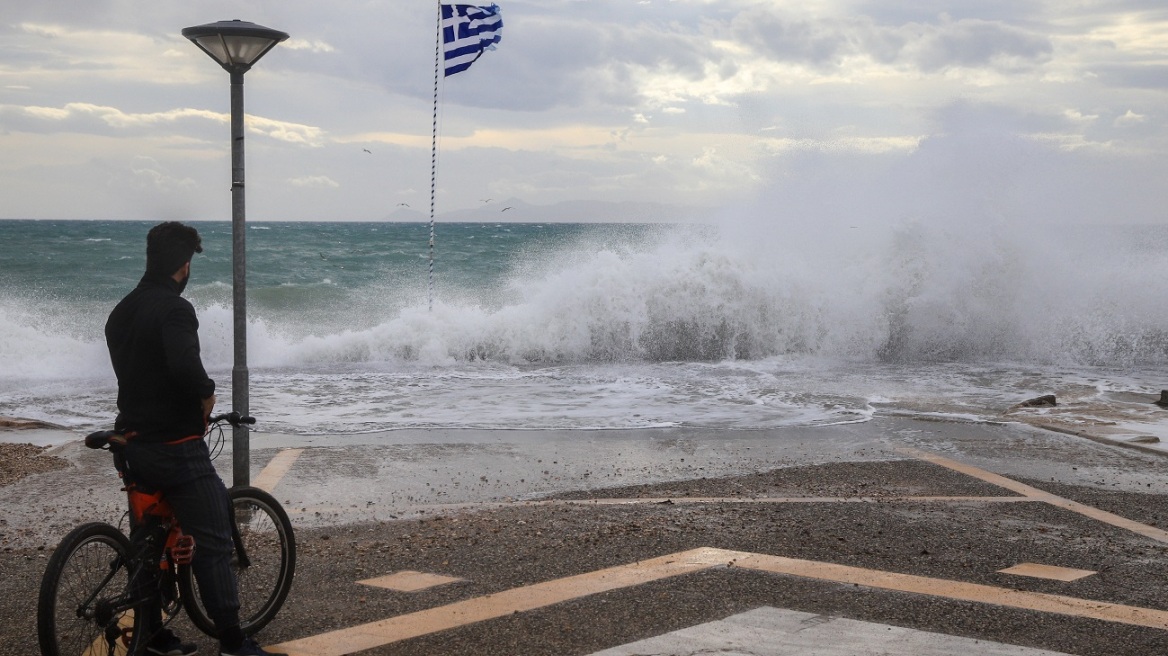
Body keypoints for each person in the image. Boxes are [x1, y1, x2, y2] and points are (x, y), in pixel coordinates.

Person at [105, 222, 284, 656]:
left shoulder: (122, 311)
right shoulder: (175, 310)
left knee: (148, 543)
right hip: (174, 447)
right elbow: (183, 365)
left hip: (130, 441)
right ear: (184, 267)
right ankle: (231, 642)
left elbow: (140, 373)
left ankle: (151, 637)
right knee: (214, 539)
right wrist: (206, 394)